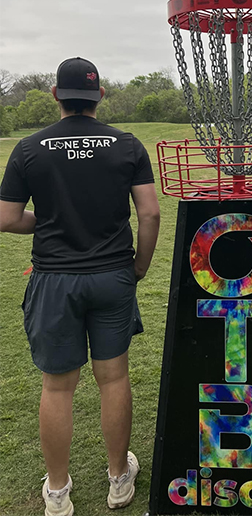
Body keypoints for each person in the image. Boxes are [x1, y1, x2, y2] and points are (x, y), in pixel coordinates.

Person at [0, 57, 161, 516]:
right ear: (100, 95)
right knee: (113, 378)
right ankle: (117, 479)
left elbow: (6, 219)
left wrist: (46, 222)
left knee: (57, 387)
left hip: (53, 281)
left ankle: (57, 492)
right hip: (113, 277)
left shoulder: (29, 148)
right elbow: (149, 214)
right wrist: (139, 267)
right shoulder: (126, 145)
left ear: (55, 94)